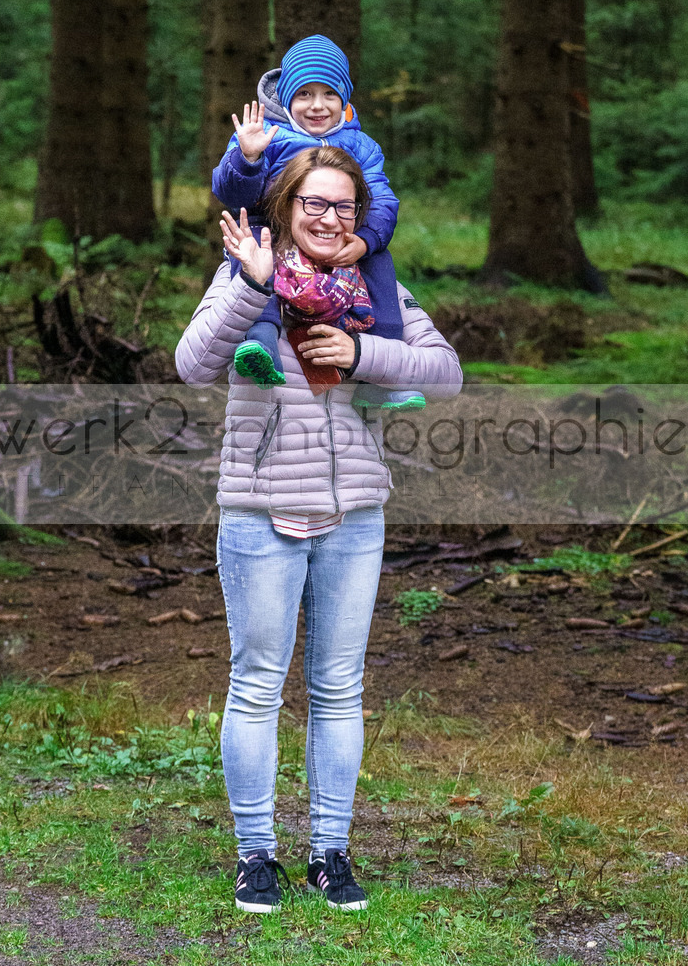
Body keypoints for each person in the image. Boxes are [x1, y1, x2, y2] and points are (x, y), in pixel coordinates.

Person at [176, 146, 462, 914]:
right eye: (314, 204)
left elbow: (446, 371)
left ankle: (330, 854)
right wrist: (253, 287)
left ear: (359, 219)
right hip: (258, 511)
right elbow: (192, 362)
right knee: (258, 685)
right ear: (285, 209)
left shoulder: (375, 288)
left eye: (344, 207)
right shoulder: (246, 273)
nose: (329, 219)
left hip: (354, 517)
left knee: (339, 689)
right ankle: (255, 856)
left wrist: (364, 351)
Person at [212, 33, 424, 411]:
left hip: (338, 238)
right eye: (304, 94)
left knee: (378, 261)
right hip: (274, 228)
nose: (317, 105)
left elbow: (382, 199)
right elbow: (232, 194)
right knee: (252, 248)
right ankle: (261, 342)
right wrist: (247, 157)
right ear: (288, 98)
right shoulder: (268, 135)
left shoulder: (360, 146)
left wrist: (366, 238)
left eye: (329, 94)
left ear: (344, 99)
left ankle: (380, 369)